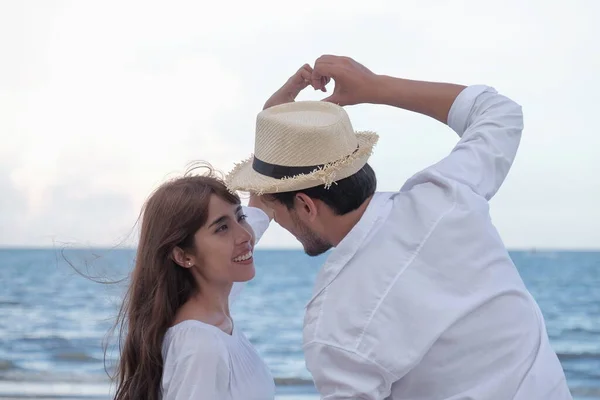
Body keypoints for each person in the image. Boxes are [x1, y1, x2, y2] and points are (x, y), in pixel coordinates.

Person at [226, 56, 572, 399]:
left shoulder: (336, 322)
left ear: (305, 206)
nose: (278, 218)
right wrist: (375, 86)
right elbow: (498, 112)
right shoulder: (447, 198)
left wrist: (275, 154)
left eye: (273, 206)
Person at [110, 164, 276, 400]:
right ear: (184, 256)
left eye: (240, 217)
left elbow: (257, 221)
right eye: (222, 228)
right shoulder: (201, 346)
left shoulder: (214, 304)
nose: (245, 235)